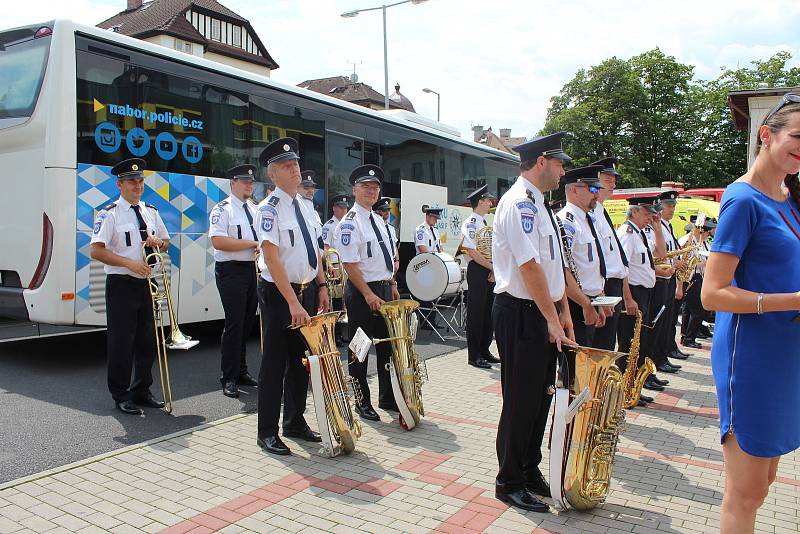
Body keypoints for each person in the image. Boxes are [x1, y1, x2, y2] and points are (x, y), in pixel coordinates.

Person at [701, 94, 800, 534]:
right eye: (797, 137)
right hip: (752, 356)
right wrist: (792, 300)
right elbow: (712, 293)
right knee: (746, 493)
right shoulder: (743, 200)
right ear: (766, 134)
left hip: (784, 355)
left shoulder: (787, 196)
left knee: (766, 482)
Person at [492, 132, 574, 513]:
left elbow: (553, 269)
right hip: (521, 312)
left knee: (538, 399)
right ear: (541, 161)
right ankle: (508, 481)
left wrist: (563, 314)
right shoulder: (519, 204)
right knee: (520, 401)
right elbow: (528, 267)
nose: (563, 171)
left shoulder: (540, 206)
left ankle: (528, 468)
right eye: (559, 163)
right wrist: (550, 318)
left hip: (540, 313)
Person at [254, 138, 329, 456]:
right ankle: (267, 432)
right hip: (281, 295)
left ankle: (294, 422)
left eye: (295, 163)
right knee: (274, 364)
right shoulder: (267, 210)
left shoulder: (306, 206)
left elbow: (316, 251)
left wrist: (322, 286)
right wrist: (293, 303)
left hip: (308, 291)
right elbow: (271, 259)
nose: (295, 168)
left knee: (302, 363)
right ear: (273, 175)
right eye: (287, 166)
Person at [90, 158, 169, 415]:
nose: (138, 185)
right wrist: (129, 264)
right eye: (132, 181)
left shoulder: (151, 211)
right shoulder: (109, 213)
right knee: (122, 342)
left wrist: (158, 242)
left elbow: (166, 242)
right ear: (120, 185)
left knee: (148, 340)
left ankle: (142, 389)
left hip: (147, 282)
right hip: (122, 284)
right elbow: (96, 251)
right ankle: (121, 394)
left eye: (140, 180)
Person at [333, 165, 400, 421]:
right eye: (366, 187)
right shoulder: (350, 223)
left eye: (375, 188)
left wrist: (392, 285)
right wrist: (369, 294)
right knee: (360, 347)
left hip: (383, 288)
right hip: (363, 292)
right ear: (354, 189)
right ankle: (362, 400)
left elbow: (387, 260)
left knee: (386, 346)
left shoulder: (380, 222)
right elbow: (349, 265)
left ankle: (387, 397)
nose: (371, 191)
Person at [208, 165, 261, 398]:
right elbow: (219, 241)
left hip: (252, 270)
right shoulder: (223, 209)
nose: (248, 185)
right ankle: (228, 377)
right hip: (231, 270)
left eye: (250, 182)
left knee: (247, 323)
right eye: (244, 181)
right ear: (233, 182)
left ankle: (241, 371)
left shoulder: (254, 208)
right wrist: (252, 244)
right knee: (234, 323)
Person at [590, 157, 639, 352]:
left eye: (614, 180)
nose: (613, 184)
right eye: (608, 180)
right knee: (598, 346)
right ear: (595, 180)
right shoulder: (591, 214)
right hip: (604, 286)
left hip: (613, 287)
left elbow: (618, 261)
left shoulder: (602, 212)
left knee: (607, 346)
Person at [556, 165, 606, 347]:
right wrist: (586, 304)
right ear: (574, 190)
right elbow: (563, 270)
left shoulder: (588, 220)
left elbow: (592, 265)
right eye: (592, 188)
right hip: (574, 304)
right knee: (574, 368)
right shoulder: (565, 222)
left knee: (585, 366)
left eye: (598, 189)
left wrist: (598, 300)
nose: (597, 194)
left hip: (589, 302)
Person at [616, 196, 659, 405]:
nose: (650, 217)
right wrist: (628, 298)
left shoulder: (640, 234)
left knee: (638, 344)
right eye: (646, 213)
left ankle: (632, 389)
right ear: (634, 212)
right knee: (628, 346)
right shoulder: (627, 233)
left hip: (643, 294)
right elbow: (622, 268)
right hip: (633, 293)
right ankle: (623, 392)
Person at [460, 185, 498, 368]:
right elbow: (471, 251)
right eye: (488, 200)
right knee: (476, 313)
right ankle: (473, 355)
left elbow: (491, 249)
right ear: (480, 202)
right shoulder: (470, 223)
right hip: (477, 269)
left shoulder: (484, 223)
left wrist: (493, 269)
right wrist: (491, 267)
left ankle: (484, 350)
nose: (491, 203)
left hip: (488, 269)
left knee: (488, 312)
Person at [648, 191, 685, 373]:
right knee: (659, 324)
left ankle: (662, 356)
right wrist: (672, 263)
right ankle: (657, 360)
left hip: (668, 278)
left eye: (673, 206)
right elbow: (657, 254)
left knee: (667, 321)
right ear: (660, 207)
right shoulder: (657, 228)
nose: (672, 209)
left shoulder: (667, 227)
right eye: (669, 206)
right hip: (659, 279)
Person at [680, 217, 716, 348]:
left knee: (691, 310)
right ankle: (688, 338)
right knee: (697, 311)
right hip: (690, 278)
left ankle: (687, 337)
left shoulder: (696, 241)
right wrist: (706, 262)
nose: (705, 234)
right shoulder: (687, 241)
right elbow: (689, 261)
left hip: (696, 277)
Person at [322, 195, 351, 346]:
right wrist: (331, 266)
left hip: (347, 266)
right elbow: (326, 247)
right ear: (334, 208)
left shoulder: (347, 224)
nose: (344, 210)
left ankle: (345, 333)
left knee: (347, 300)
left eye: (345, 207)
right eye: (340, 207)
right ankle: (336, 335)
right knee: (337, 302)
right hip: (335, 268)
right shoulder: (329, 226)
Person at [373, 197, 400, 274]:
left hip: (392, 263)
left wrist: (397, 260)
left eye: (388, 210)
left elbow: (394, 246)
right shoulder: (375, 228)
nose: (387, 212)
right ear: (377, 211)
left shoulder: (391, 228)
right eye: (384, 210)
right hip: (381, 264)